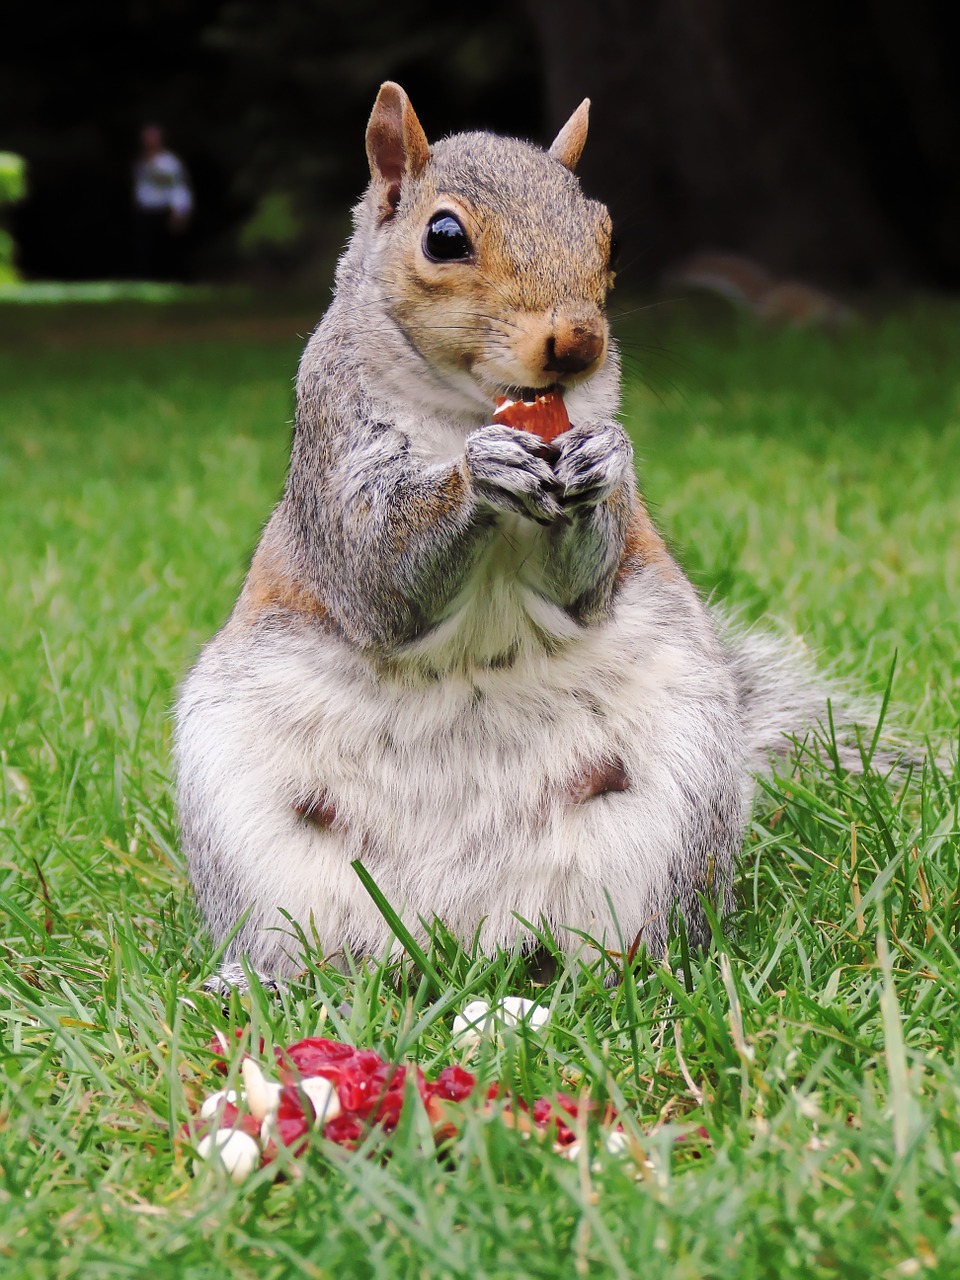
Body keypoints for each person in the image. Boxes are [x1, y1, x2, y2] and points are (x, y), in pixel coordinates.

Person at [132, 124, 192, 280]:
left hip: (163, 212)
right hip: (145, 213)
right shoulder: (141, 162)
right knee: (146, 250)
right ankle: (148, 280)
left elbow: (178, 187)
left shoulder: (169, 162)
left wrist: (181, 210)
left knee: (168, 250)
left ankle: (174, 279)